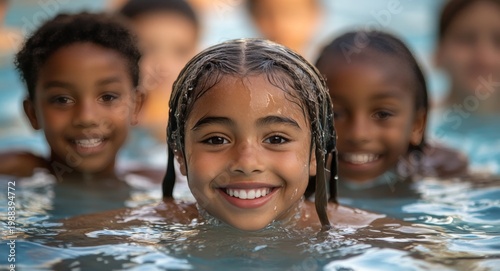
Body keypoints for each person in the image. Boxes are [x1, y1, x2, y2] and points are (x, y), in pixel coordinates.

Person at [62, 38, 401, 233]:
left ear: (316, 155)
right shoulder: (131, 232)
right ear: (180, 155)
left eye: (277, 139)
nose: (246, 163)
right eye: (216, 140)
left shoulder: (367, 236)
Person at [0, 13, 163, 217]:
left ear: (137, 106)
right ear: (32, 113)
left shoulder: (163, 187)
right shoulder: (14, 173)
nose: (87, 117)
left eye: (108, 97)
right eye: (62, 100)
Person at [315, 31, 468, 197]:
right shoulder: (297, 181)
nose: (358, 134)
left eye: (382, 114)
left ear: (417, 125)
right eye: (335, 114)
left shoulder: (438, 171)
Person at [431, 0, 500, 174]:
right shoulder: (418, 120)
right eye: (466, 39)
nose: (484, 57)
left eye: (499, 41)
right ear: (438, 54)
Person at [119, 0, 200, 142]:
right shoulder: (111, 115)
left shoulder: (198, 113)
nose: (164, 65)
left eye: (181, 51)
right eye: (148, 49)